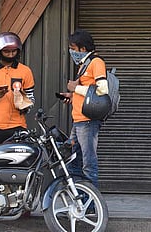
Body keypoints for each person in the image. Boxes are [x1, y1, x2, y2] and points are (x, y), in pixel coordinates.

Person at [58, 29, 109, 188]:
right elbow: (88, 91)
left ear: (83, 48)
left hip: (87, 122)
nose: (71, 51)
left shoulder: (96, 62)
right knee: (73, 162)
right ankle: (78, 198)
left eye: (73, 48)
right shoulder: (84, 64)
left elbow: (102, 89)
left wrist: (75, 88)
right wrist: (72, 96)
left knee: (88, 164)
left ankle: (91, 204)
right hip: (78, 121)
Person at [0, 32, 35, 150]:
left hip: (18, 126)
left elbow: (31, 99)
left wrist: (23, 103)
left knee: (18, 163)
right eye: (7, 52)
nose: (10, 54)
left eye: (14, 51)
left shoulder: (25, 71)